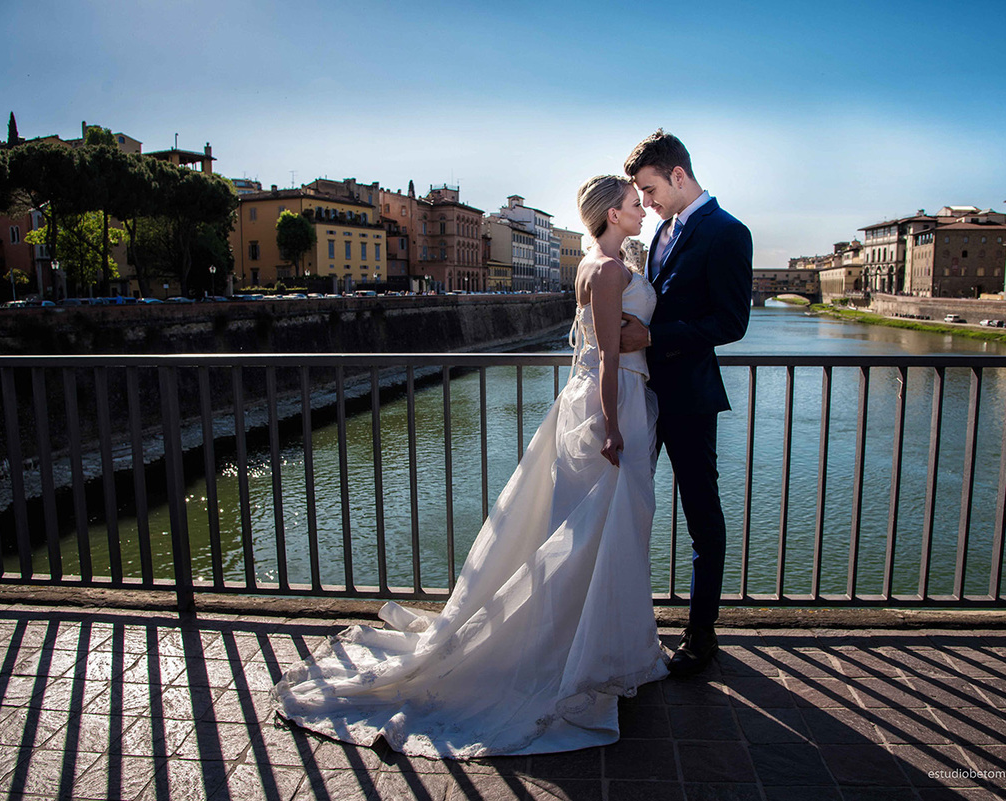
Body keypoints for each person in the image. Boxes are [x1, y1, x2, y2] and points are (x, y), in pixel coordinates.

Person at [271, 175, 667, 759]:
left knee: (586, 532)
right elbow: (608, 355)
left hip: (594, 401)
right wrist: (612, 427)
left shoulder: (593, 264)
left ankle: (589, 646)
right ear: (611, 214)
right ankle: (578, 654)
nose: (642, 212)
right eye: (634, 205)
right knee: (597, 532)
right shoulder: (608, 270)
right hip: (613, 406)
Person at [620, 130, 753, 676]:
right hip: (643, 394)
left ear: (678, 175)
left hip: (690, 398)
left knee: (702, 517)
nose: (645, 204)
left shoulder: (727, 232)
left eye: (649, 191)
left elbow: (732, 323)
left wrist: (654, 338)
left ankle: (702, 633)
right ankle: (624, 625)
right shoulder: (662, 232)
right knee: (626, 509)